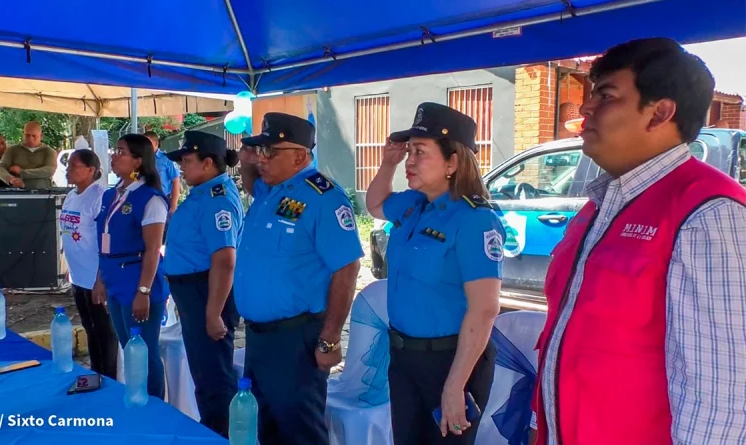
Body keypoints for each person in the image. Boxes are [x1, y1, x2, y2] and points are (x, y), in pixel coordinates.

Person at [530, 38, 746, 445]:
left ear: (660, 113)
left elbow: (722, 394)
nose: (585, 109)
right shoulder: (601, 203)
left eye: (606, 95)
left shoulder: (709, 214)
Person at [365, 102, 502, 445]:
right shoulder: (413, 204)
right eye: (409, 150)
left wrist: (455, 386)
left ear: (453, 162)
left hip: (450, 362)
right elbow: (376, 204)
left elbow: (484, 309)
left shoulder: (474, 219)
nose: (410, 160)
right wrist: (389, 162)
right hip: (404, 357)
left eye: (420, 152)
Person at [235, 112, 363, 445]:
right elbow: (251, 176)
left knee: (301, 431)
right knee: (266, 428)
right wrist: (250, 154)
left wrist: (330, 338)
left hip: (296, 339)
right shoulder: (267, 192)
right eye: (261, 150)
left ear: (300, 156)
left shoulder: (323, 197)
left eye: (271, 152)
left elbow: (347, 268)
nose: (262, 159)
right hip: (259, 337)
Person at [163, 131, 243, 436]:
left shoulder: (216, 200)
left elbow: (225, 260)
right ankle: (211, 428)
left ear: (208, 163)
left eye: (186, 160)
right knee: (203, 370)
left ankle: (221, 434)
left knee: (214, 376)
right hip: (195, 293)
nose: (181, 167)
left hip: (207, 293)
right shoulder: (202, 192)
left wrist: (213, 313)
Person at [92, 133, 170, 400]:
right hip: (113, 277)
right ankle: (137, 398)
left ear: (138, 161)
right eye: (116, 150)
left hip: (137, 278)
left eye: (122, 152)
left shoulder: (150, 199)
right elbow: (104, 241)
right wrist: (100, 278)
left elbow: (152, 249)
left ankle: (155, 407)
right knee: (128, 347)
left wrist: (144, 291)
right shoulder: (112, 194)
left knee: (144, 352)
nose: (114, 155)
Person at [60, 149, 118, 379]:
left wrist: (101, 279)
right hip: (78, 276)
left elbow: (107, 242)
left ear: (91, 170)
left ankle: (109, 378)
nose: (68, 170)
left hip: (97, 278)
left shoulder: (101, 196)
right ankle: (96, 373)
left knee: (104, 331)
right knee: (90, 328)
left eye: (74, 166)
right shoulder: (71, 196)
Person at [0, 121, 57, 189]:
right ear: (23, 134)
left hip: (42, 192)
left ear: (41, 136)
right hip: (17, 192)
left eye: (34, 136)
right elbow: (0, 169)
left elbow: (49, 170)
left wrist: (22, 172)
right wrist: (10, 179)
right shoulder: (12, 150)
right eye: (27, 135)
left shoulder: (49, 151)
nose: (30, 139)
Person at [144, 131, 181, 215]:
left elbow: (175, 181)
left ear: (155, 143)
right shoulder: (141, 159)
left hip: (163, 199)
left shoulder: (167, 159)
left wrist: (173, 205)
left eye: (147, 143)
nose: (144, 146)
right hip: (144, 198)